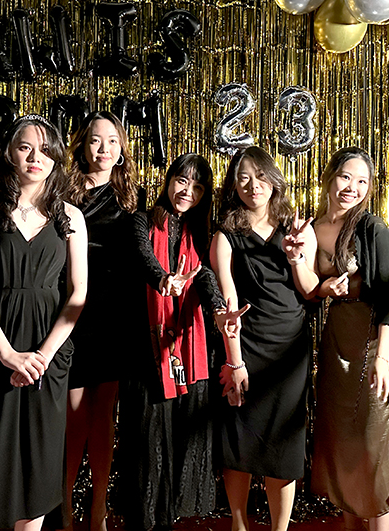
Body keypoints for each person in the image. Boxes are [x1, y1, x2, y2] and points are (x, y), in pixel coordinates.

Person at [0, 115, 88, 531]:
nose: (35, 157)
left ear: (57, 158)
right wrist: (8, 354)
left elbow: (78, 293)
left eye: (45, 150)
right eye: (25, 147)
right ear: (9, 153)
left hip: (48, 355)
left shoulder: (70, 216)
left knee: (37, 472)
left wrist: (42, 356)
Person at [283, 147, 389, 531]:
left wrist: (383, 357)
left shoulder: (372, 228)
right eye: (345, 177)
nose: (351, 187)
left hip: (374, 339)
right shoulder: (311, 228)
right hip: (336, 337)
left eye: (361, 181)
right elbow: (309, 289)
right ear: (329, 177)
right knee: (344, 440)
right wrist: (298, 261)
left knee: (375, 441)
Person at [118, 153, 236, 531]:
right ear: (169, 181)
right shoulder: (141, 220)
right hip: (146, 349)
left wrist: (218, 310)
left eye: (198, 187)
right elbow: (143, 256)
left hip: (187, 348)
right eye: (182, 181)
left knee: (178, 440)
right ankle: (142, 522)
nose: (188, 191)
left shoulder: (199, 233)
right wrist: (163, 279)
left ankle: (166, 521)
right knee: (147, 442)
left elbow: (204, 276)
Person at [210, 146, 308, 531]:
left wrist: (298, 256)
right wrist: (234, 361)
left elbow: (308, 288)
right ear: (234, 186)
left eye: (261, 175)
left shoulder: (294, 227)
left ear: (274, 179)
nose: (254, 185)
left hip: (290, 347)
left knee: (284, 444)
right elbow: (228, 301)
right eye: (244, 178)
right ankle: (239, 524)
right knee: (240, 439)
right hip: (247, 344)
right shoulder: (226, 236)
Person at [63, 110, 141, 531]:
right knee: (74, 413)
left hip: (115, 314)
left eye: (112, 141)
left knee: (104, 416)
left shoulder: (132, 198)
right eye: (96, 140)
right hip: (72, 310)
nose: (104, 149)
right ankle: (63, 503)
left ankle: (98, 507)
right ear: (82, 145)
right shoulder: (62, 192)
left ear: (121, 148)